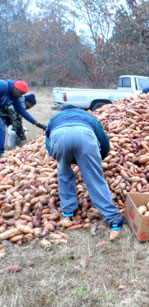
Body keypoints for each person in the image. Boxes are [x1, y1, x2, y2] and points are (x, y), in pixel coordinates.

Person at [45, 105, 124, 239]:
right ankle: (114, 219)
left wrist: (61, 158)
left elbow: (48, 141)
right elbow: (103, 139)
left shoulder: (55, 118)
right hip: (84, 134)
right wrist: (99, 158)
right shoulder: (88, 116)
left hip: (59, 136)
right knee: (94, 178)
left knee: (64, 174)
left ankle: (68, 212)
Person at [0, 79, 46, 156]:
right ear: (16, 89)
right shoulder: (3, 86)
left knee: (2, 126)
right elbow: (16, 119)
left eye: (23, 94)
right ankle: (0, 153)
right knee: (1, 127)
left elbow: (23, 112)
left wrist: (37, 124)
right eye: (21, 93)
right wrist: (23, 138)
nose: (21, 96)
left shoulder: (15, 98)